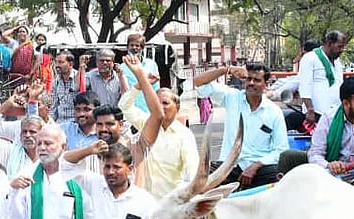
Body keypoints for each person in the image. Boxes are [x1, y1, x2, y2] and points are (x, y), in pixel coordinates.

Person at [193, 63, 289, 188]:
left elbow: (281, 149)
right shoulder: (232, 97)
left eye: (257, 80)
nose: (251, 83)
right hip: (229, 166)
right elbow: (198, 82)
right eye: (248, 79)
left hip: (260, 168)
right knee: (198, 181)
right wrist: (227, 70)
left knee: (283, 178)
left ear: (266, 84)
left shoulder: (274, 112)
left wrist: (255, 166)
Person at [119, 56, 199, 196]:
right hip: (144, 199)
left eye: (165, 103)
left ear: (177, 107)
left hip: (169, 201)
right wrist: (140, 84)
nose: (160, 107)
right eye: (157, 103)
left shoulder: (184, 135)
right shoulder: (145, 122)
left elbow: (192, 171)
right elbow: (124, 106)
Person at [297, 30, 348, 129]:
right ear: (329, 43)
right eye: (339, 46)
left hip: (335, 113)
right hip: (316, 113)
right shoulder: (310, 58)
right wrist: (310, 110)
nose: (342, 50)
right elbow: (305, 86)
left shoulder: (337, 62)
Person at [121, 33, 160, 112]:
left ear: (142, 48)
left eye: (137, 45)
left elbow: (156, 88)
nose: (134, 48)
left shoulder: (151, 64)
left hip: (148, 108)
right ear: (127, 47)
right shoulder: (122, 67)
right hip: (130, 109)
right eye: (131, 45)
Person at [50, 50, 83, 123]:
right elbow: (54, 105)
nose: (57, 65)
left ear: (70, 64)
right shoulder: (56, 81)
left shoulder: (80, 78)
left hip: (76, 123)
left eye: (61, 62)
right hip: (60, 122)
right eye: (56, 62)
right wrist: (51, 123)